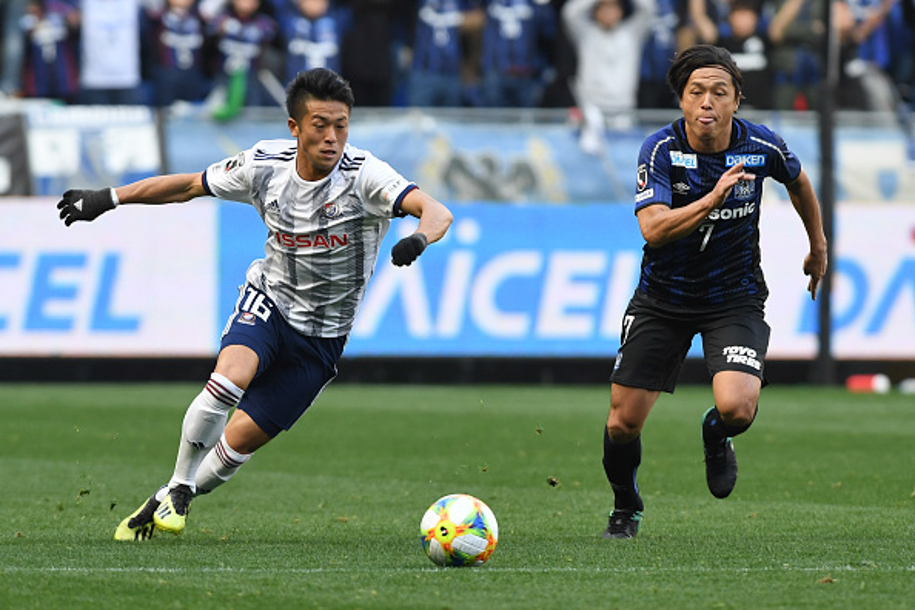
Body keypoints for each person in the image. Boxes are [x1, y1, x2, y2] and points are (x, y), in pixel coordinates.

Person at [56, 67, 453, 541]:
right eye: (320, 125)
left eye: (341, 126)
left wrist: (419, 239)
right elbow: (188, 186)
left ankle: (168, 494)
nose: (332, 138)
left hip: (323, 337)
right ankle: (181, 484)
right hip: (269, 300)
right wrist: (109, 197)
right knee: (228, 378)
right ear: (295, 128)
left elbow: (437, 211)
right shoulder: (264, 165)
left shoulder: (366, 176)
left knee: (237, 444)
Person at [601, 44, 827, 539]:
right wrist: (712, 198)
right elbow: (654, 230)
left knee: (737, 409)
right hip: (663, 299)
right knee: (622, 425)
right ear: (681, 101)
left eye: (719, 92)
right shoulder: (659, 151)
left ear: (736, 100)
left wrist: (818, 246)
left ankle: (715, 433)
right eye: (696, 92)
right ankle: (626, 506)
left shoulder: (761, 146)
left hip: (735, 296)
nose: (707, 102)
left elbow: (800, 182)